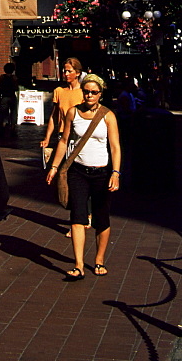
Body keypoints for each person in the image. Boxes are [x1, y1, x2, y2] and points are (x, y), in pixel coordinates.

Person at [45, 73, 121, 281]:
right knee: (77, 217)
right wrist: (54, 167)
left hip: (101, 172)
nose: (89, 95)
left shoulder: (108, 116)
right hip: (77, 171)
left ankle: (99, 260)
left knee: (101, 218)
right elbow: (64, 141)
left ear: (100, 94)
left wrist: (115, 172)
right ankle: (78, 265)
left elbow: (115, 147)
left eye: (94, 92)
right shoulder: (73, 113)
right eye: (86, 92)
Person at [40, 57, 84, 151]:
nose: (66, 74)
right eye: (65, 71)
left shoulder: (84, 92)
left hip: (79, 134)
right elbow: (54, 116)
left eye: (69, 71)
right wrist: (47, 138)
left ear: (77, 73)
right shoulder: (59, 91)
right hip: (62, 133)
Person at [0, 62, 17, 133]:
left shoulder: (2, 77)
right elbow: (16, 88)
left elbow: (0, 87)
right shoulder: (14, 78)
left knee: (3, 112)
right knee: (13, 111)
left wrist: (0, 96)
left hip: (4, 97)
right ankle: (12, 125)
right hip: (12, 96)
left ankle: (3, 124)